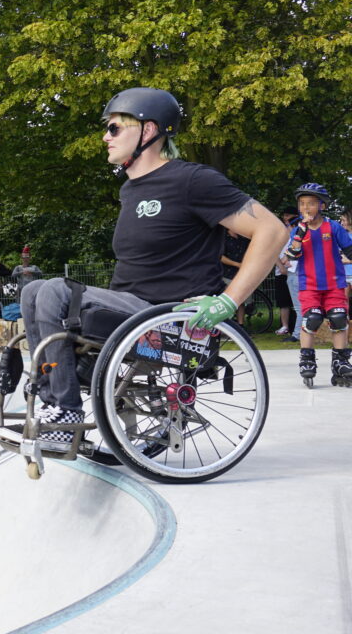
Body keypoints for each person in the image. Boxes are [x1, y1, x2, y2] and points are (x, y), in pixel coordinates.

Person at [20, 87, 285, 447]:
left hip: (167, 314)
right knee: (33, 290)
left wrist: (228, 300)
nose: (105, 137)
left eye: (114, 128)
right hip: (130, 308)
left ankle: (64, 411)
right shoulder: (130, 190)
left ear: (148, 131)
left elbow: (272, 230)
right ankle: (52, 396)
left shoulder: (192, 180)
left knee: (52, 289)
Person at [284, 183, 352, 386]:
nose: (306, 208)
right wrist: (301, 232)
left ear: (322, 206)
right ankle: (307, 360)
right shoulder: (298, 231)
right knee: (311, 319)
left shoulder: (333, 227)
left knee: (339, 318)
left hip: (334, 284)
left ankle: (340, 362)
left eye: (311, 204)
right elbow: (292, 254)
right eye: (302, 204)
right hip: (309, 285)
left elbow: (349, 250)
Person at [273, 206, 300, 336]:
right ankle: (286, 326)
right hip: (283, 271)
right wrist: (281, 266)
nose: (286, 219)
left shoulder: (298, 234)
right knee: (284, 302)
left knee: (297, 304)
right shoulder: (280, 233)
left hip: (296, 272)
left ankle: (297, 330)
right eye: (284, 216)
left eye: (289, 216)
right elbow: (274, 252)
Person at [220, 228, 252, 325]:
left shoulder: (244, 237)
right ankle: (226, 326)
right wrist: (237, 264)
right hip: (227, 274)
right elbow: (221, 257)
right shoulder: (223, 238)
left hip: (242, 274)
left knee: (240, 301)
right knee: (227, 301)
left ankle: (240, 325)